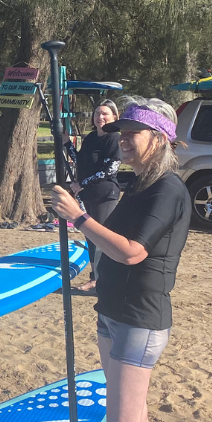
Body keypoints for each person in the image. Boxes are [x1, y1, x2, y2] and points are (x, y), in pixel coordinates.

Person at [50, 97, 190, 422]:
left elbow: (131, 253)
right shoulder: (138, 185)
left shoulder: (167, 190)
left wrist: (79, 219)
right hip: (113, 313)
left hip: (139, 319)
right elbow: (107, 238)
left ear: (159, 139)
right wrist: (78, 215)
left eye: (133, 133)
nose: (123, 139)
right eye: (122, 131)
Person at [71, 100, 123, 291]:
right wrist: (66, 144)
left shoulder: (114, 138)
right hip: (88, 194)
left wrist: (81, 184)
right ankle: (95, 277)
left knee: (102, 238)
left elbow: (109, 171)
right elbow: (80, 161)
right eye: (97, 113)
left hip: (105, 195)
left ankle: (104, 280)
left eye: (105, 114)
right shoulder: (91, 137)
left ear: (114, 117)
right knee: (90, 238)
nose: (100, 117)